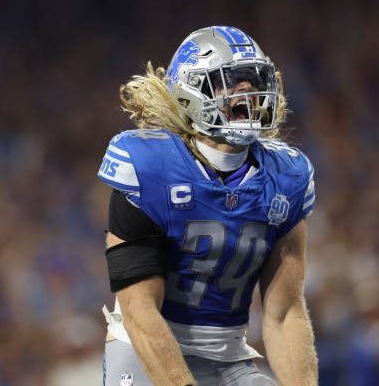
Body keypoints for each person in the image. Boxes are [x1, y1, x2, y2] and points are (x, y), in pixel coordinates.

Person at [98, 26, 318, 385]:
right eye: (230, 80)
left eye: (252, 78)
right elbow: (140, 314)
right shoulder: (149, 166)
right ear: (189, 93)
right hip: (143, 348)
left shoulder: (286, 177)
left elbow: (283, 313)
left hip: (229, 359)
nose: (246, 90)